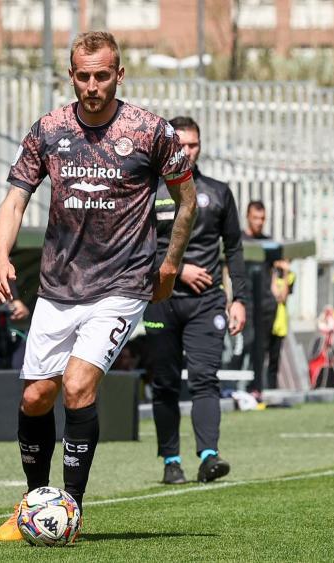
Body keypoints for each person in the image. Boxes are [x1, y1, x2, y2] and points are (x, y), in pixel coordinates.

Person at [0, 31, 197, 540]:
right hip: (59, 285)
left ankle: (70, 510)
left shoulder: (151, 131)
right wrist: (0, 255)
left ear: (119, 75)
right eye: (83, 75)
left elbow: (187, 201)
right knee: (37, 396)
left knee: (79, 385)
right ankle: (35, 503)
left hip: (122, 284)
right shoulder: (49, 129)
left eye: (102, 75)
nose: (92, 85)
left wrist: (169, 265)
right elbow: (15, 199)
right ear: (71, 75)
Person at [144, 115, 248, 485]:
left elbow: (234, 249)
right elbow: (134, 247)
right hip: (161, 299)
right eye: (180, 145)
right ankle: (171, 459)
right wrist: (177, 268)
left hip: (207, 303)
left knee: (205, 378)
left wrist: (240, 300)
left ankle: (209, 455)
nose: (187, 151)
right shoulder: (148, 190)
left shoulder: (218, 192)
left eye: (193, 145)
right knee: (166, 382)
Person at [242, 200, 291, 396]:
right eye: (256, 218)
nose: (259, 222)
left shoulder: (269, 242)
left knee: (264, 349)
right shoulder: (240, 240)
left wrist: (280, 282)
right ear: (248, 217)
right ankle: (242, 388)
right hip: (245, 302)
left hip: (266, 304)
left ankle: (260, 389)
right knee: (246, 346)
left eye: (262, 218)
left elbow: (277, 271)